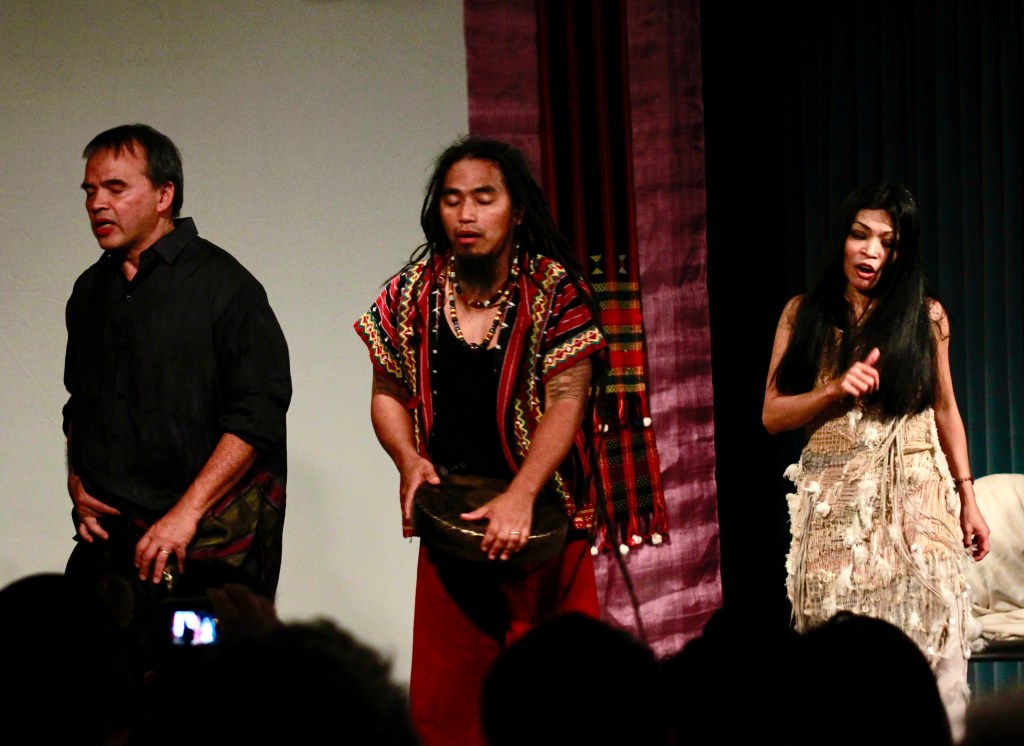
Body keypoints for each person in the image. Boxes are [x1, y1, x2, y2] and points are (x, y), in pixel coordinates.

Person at [354, 135, 607, 745]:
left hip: (545, 531)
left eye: (484, 198)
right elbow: (387, 391)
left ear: (516, 210)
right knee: (448, 715)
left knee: (558, 708)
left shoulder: (556, 291)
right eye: (452, 199)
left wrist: (521, 494)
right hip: (456, 528)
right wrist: (408, 459)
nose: (466, 214)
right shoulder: (411, 292)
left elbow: (567, 400)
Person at [63, 123, 292, 682]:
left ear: (164, 194)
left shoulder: (225, 287)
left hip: (203, 552)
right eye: (90, 190)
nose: (97, 203)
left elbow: (257, 415)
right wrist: (77, 481)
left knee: (198, 696)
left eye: (116, 188)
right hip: (110, 548)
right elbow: (78, 405)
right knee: (93, 692)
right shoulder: (89, 292)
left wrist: (184, 515)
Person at [762, 182, 991, 742]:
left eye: (887, 242)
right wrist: (833, 389)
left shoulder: (925, 316)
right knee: (841, 672)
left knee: (934, 654)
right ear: (842, 238)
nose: (870, 252)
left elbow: (946, 409)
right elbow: (771, 414)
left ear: (901, 251)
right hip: (835, 515)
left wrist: (968, 496)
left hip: (918, 507)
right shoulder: (803, 314)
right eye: (859, 235)